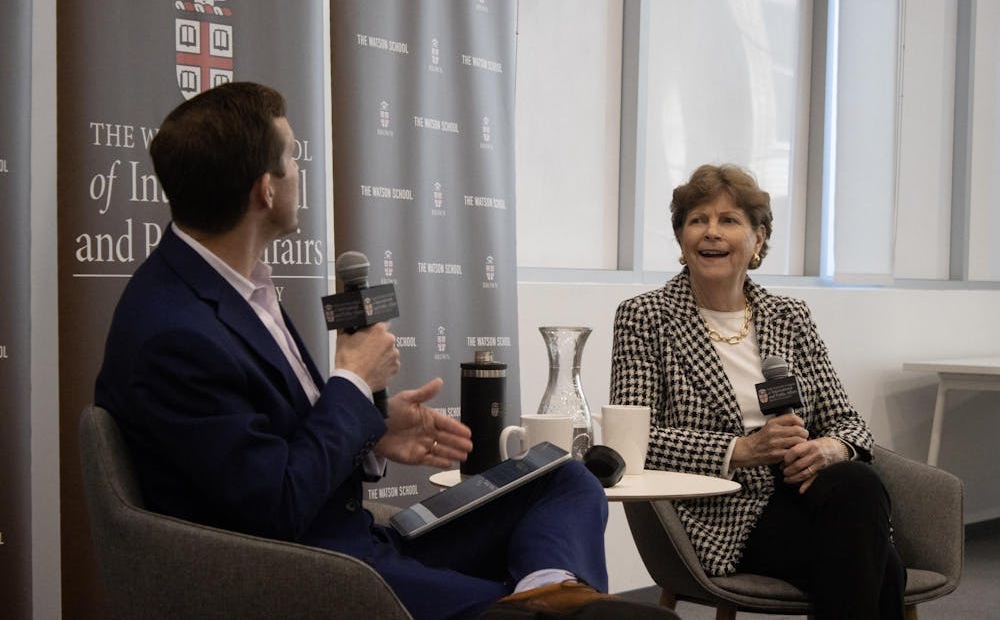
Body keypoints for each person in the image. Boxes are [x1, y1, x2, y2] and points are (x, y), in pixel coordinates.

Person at [95, 82, 676, 620]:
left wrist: (371, 431)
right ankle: (548, 603)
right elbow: (272, 506)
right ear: (265, 189)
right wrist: (350, 385)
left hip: (363, 540)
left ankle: (547, 593)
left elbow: (271, 441)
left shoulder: (232, 288)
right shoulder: (174, 331)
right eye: (294, 157)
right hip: (318, 573)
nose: (301, 171)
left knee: (565, 478)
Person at [610, 164, 906, 619]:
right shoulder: (645, 317)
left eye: (728, 220)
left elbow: (849, 423)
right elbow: (634, 441)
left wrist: (830, 448)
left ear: (758, 240)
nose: (711, 233)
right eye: (697, 220)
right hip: (720, 512)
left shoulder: (789, 316)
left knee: (857, 482)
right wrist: (742, 449)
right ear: (681, 239)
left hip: (806, 492)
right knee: (881, 567)